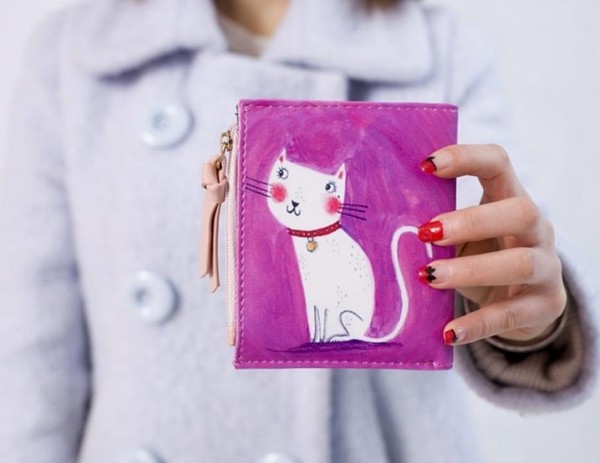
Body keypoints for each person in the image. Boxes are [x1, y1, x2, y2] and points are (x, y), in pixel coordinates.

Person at [0, 0, 596, 461]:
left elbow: (513, 235)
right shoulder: (73, 57)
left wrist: (525, 308)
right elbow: (32, 357)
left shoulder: (437, 48)